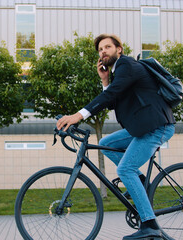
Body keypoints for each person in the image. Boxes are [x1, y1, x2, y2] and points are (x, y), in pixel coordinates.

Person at [56, 34, 175, 240]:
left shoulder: (126, 65)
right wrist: (105, 80)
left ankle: (150, 225)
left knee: (125, 168)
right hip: (142, 127)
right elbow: (113, 99)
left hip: (156, 126)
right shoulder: (119, 73)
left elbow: (109, 97)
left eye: (107, 47)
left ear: (119, 49)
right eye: (100, 49)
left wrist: (78, 115)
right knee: (106, 143)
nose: (103, 52)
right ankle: (139, 180)